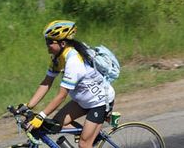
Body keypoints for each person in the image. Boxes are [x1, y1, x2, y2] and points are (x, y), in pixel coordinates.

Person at [18, 20, 115, 148]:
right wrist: (28, 106)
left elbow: (61, 96)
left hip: (100, 102)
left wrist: (41, 116)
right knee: (56, 124)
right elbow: (46, 83)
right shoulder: (58, 58)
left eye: (49, 42)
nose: (47, 45)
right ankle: (92, 134)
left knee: (84, 144)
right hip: (82, 101)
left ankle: (90, 137)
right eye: (46, 41)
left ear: (62, 43)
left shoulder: (73, 61)